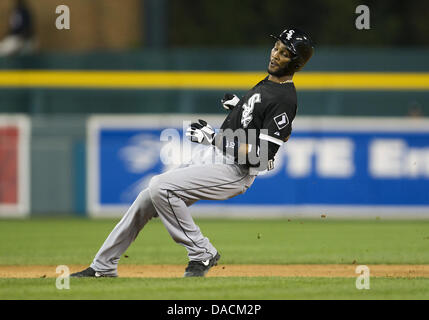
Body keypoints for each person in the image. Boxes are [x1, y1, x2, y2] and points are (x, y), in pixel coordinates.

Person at [71, 28, 314, 278]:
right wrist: (238, 107)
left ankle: (202, 252)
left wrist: (214, 138)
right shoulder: (269, 84)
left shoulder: (285, 98)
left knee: (160, 187)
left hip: (235, 171)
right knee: (146, 198)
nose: (275, 54)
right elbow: (253, 122)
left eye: (284, 53)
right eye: (276, 47)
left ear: (295, 62)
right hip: (216, 159)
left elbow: (261, 156)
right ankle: (103, 266)